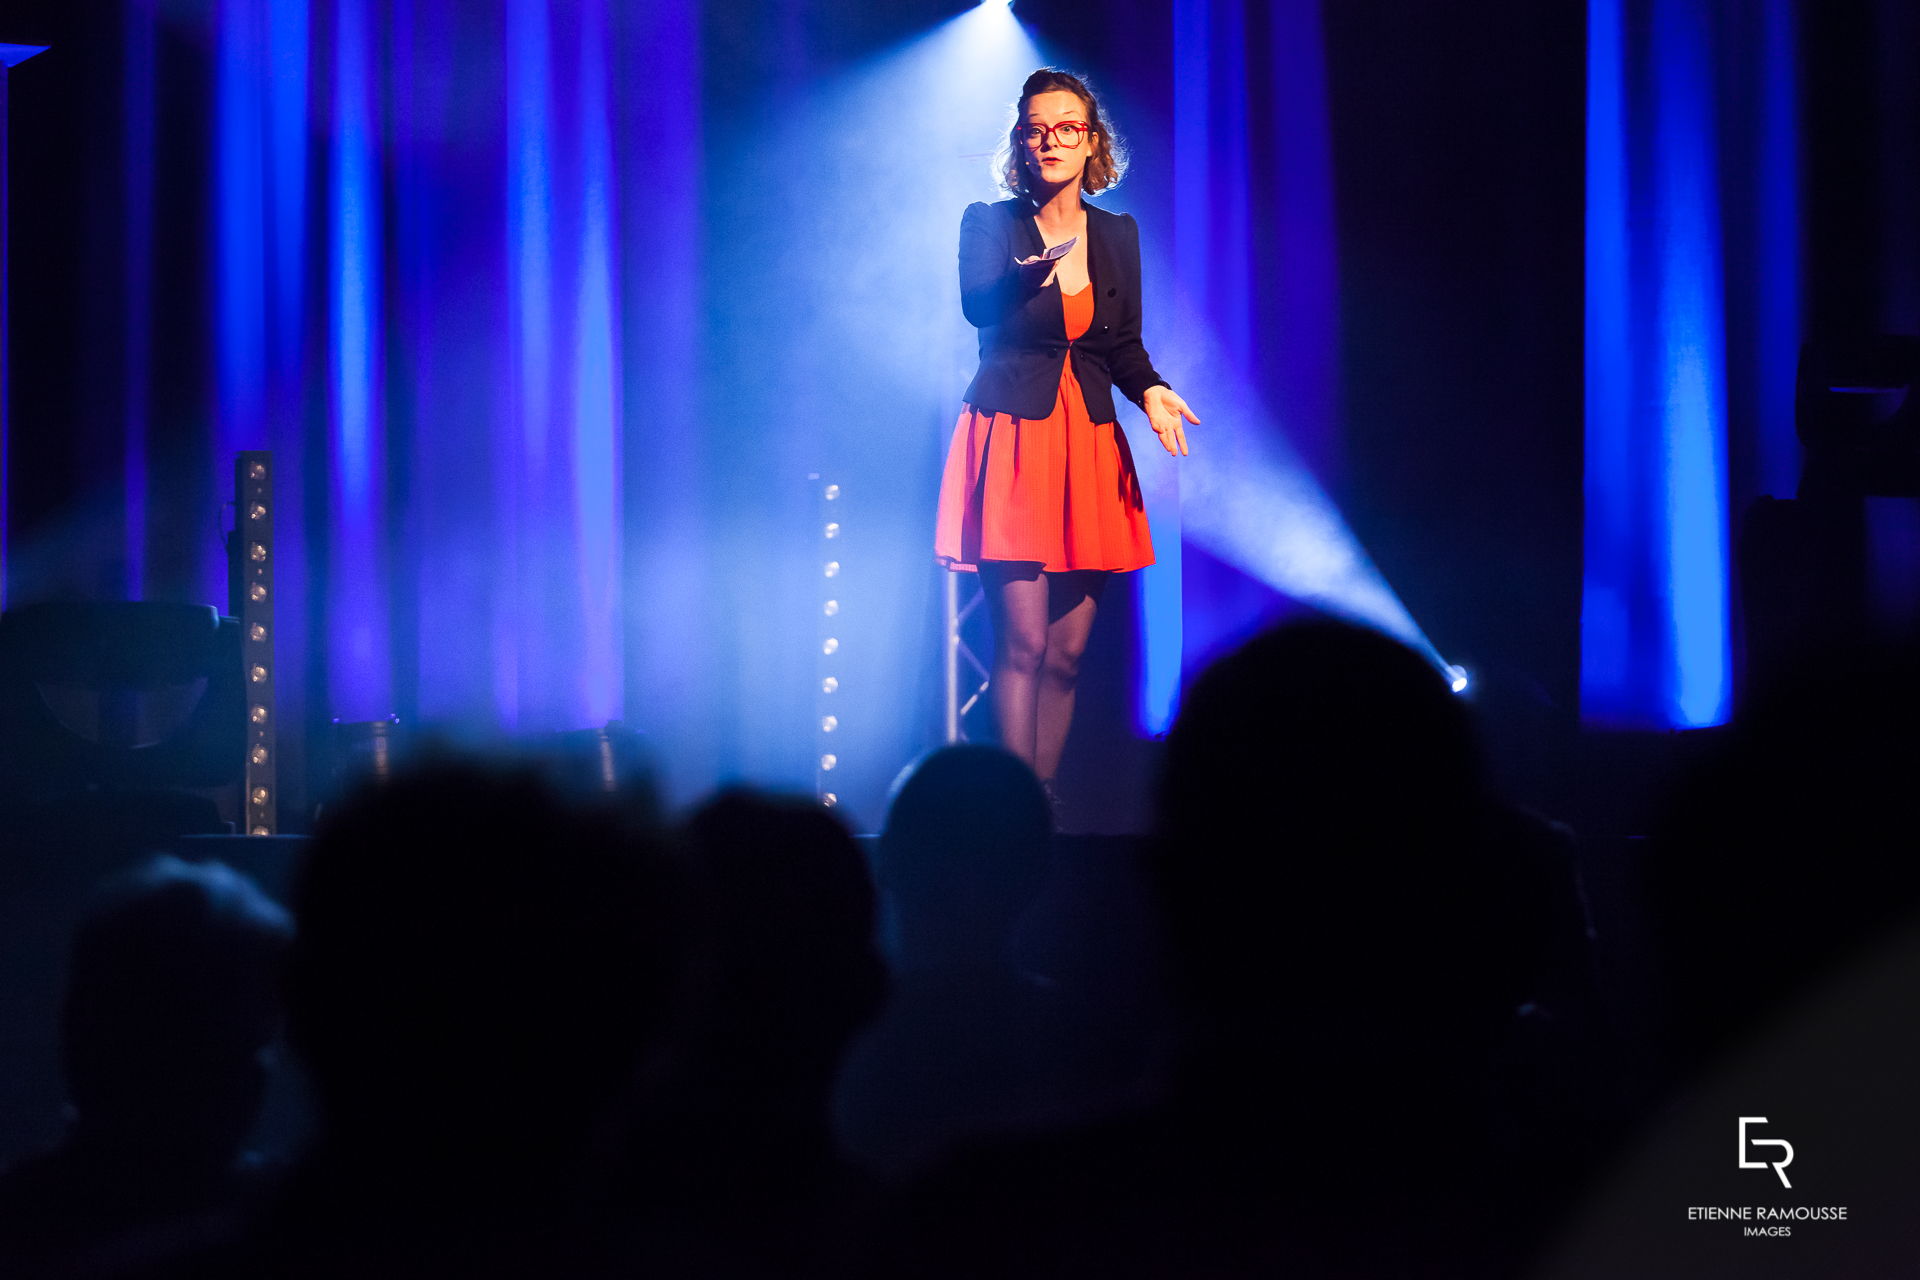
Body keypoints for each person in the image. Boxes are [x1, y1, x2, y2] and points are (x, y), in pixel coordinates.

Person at [934, 68, 1199, 811]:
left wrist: (1149, 389)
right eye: (1036, 129)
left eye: (1066, 128)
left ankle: (1042, 805)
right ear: (1021, 143)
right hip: (1013, 438)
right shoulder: (990, 222)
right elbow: (975, 306)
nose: (1050, 140)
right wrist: (1028, 277)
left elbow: (1121, 344)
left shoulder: (1117, 234)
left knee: (1069, 652)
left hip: (1086, 441)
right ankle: (1014, 810)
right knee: (1021, 645)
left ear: (1091, 142)